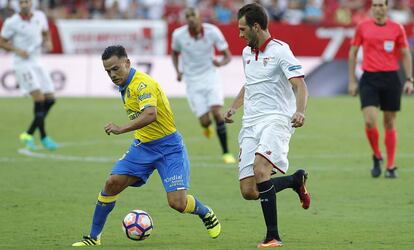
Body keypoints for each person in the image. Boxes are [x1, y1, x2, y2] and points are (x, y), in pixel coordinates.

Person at [72, 45, 221, 247]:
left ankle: (205, 212)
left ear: (127, 63)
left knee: (177, 203)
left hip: (169, 148)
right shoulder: (124, 85)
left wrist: (121, 128)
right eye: (108, 71)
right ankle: (93, 237)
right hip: (143, 146)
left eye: (116, 68)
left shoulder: (142, 84)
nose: (112, 75)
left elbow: (151, 114)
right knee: (111, 183)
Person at [224, 3, 311, 248]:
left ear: (256, 26)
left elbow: (300, 85)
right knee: (249, 190)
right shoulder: (245, 53)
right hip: (250, 124)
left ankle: (273, 236)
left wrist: (300, 112)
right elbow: (249, 83)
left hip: (277, 120)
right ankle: (295, 181)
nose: (239, 35)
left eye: (242, 29)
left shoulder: (281, 51)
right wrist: (233, 106)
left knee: (261, 170)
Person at [348, 0, 414, 179]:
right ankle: (377, 155)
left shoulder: (397, 28)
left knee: (390, 122)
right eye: (375, 5)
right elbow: (353, 53)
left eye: (381, 5)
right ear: (372, 8)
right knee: (370, 121)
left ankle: (391, 166)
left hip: (391, 78)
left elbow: (405, 53)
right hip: (369, 78)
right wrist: (352, 81)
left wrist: (409, 79)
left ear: (387, 7)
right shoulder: (363, 27)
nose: (378, 8)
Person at [172, 7, 236, 164]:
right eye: (187, 16)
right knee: (205, 121)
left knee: (216, 111)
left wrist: (220, 63)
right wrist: (178, 71)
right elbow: (174, 53)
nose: (190, 18)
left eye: (193, 15)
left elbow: (228, 56)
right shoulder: (178, 35)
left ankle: (226, 153)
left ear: (199, 16)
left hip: (210, 77)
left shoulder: (212, 31)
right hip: (192, 81)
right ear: (185, 19)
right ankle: (206, 128)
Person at [0, 0, 57, 151]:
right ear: (19, 4)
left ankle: (29, 133)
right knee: (39, 98)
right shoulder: (12, 22)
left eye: (27, 1)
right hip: (22, 64)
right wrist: (17, 50)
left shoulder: (40, 16)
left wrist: (48, 41)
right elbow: (2, 41)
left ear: (31, 3)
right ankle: (42, 136)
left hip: (37, 62)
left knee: (50, 99)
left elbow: (45, 32)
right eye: (21, 2)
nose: (24, 4)